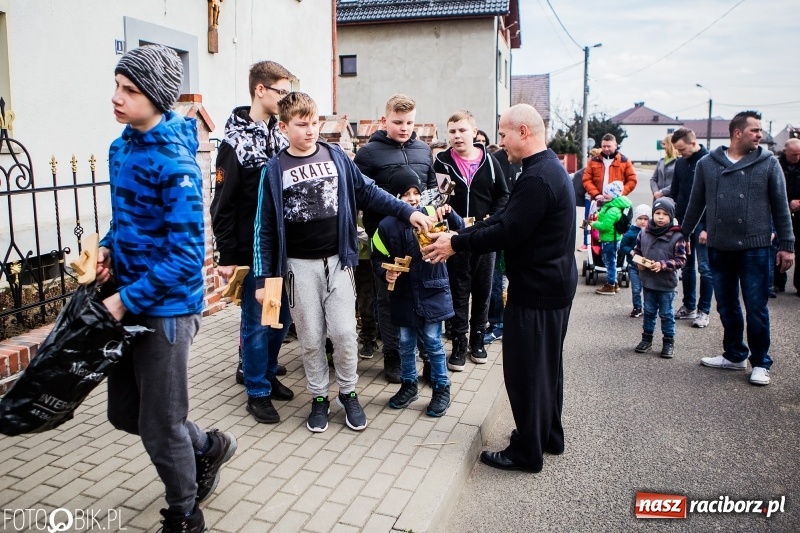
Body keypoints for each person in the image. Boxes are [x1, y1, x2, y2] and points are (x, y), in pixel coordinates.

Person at [99, 45, 236, 533]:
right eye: (116, 85)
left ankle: (184, 511)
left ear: (156, 98)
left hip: (168, 310)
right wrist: (105, 248)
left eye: (129, 90)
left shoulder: (177, 167)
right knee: (124, 414)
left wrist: (123, 299)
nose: (116, 97)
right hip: (128, 300)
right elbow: (125, 219)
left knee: (161, 425)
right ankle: (206, 446)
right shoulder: (121, 147)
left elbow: (184, 259)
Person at [252, 92, 433, 432]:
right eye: (302, 125)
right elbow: (263, 228)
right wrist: (264, 280)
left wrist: (408, 212)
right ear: (283, 127)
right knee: (310, 338)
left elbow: (369, 192)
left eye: (315, 123)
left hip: (339, 262)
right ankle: (319, 398)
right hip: (297, 267)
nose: (310, 131)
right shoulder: (274, 170)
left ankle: (348, 393)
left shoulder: (335, 155)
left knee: (345, 333)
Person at [422, 103, 577, 473]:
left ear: (523, 132)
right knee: (546, 370)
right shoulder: (543, 169)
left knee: (526, 374)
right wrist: (458, 234)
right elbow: (505, 218)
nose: (499, 143)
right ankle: (548, 436)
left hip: (538, 291)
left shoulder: (538, 178)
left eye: (504, 135)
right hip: (551, 286)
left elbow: (508, 230)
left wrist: (455, 244)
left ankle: (527, 451)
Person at [682, 111, 795, 386]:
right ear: (737, 133)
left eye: (760, 131)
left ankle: (761, 362)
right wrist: (682, 235)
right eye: (755, 130)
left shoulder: (768, 163)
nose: (760, 135)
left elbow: (781, 207)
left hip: (756, 248)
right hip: (720, 246)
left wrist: (787, 245)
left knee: (756, 306)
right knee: (727, 305)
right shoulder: (709, 164)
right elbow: (696, 203)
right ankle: (734, 355)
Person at [211, 60, 295, 424]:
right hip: (252, 246)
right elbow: (222, 202)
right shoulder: (234, 142)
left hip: (284, 245)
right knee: (257, 319)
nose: (286, 98)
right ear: (261, 90)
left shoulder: (278, 133)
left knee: (282, 315)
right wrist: (227, 253)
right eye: (282, 91)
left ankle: (265, 369)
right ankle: (256, 389)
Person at [353, 94, 437, 383]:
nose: (404, 128)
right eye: (398, 122)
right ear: (384, 120)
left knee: (424, 297)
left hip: (420, 240)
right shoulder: (368, 154)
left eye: (410, 122)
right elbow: (359, 195)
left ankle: (426, 355)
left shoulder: (424, 151)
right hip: (384, 240)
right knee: (388, 300)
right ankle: (393, 356)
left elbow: (430, 192)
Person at [371, 167, 464, 416]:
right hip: (403, 294)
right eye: (405, 194)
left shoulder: (434, 214)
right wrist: (384, 271)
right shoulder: (385, 226)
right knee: (405, 342)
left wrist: (451, 213)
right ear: (394, 198)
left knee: (433, 342)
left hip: (433, 289)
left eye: (416, 193)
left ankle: (441, 388)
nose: (412, 198)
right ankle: (409, 385)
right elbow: (377, 257)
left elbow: (461, 229)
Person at [433, 110, 509, 371]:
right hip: (454, 238)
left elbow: (503, 196)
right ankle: (458, 343)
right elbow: (436, 197)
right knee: (458, 291)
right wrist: (440, 211)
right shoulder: (441, 163)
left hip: (484, 237)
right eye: (452, 131)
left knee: (483, 290)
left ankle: (478, 340)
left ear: (474, 133)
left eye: (462, 130)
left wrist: (493, 220)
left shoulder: (490, 161)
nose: (457, 136)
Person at [668, 128, 712, 328]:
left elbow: (714, 197)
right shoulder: (679, 164)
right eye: (677, 149)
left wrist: (708, 228)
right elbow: (676, 193)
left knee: (705, 268)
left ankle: (704, 311)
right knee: (686, 266)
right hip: (684, 222)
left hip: (704, 224)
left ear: (693, 143)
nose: (679, 153)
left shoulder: (710, 162)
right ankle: (689, 306)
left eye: (682, 149)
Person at [632, 198, 686, 357]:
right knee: (648, 311)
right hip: (648, 282)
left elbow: (681, 260)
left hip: (666, 284)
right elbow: (637, 251)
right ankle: (646, 339)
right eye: (657, 213)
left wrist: (663, 265)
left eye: (665, 214)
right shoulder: (644, 232)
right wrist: (639, 263)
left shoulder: (677, 236)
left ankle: (668, 342)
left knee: (666, 314)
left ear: (671, 216)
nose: (660, 217)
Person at [591, 180, 632, 295]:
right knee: (609, 261)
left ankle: (610, 285)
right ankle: (614, 283)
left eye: (607, 192)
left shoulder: (613, 209)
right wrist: (597, 215)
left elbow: (605, 226)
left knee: (610, 263)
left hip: (610, 240)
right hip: (609, 239)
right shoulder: (610, 205)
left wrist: (593, 224)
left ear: (614, 194)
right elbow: (604, 216)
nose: (604, 194)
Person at [582, 133, 637, 205]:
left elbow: (632, 180)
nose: (606, 149)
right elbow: (586, 180)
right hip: (597, 202)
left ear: (615, 146)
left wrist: (618, 195)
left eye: (609, 146)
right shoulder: (593, 161)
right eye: (604, 146)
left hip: (617, 203)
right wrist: (596, 194)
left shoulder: (624, 161)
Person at [776, 138, 800, 294]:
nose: (796, 158)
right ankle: (778, 282)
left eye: (799, 155)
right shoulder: (776, 165)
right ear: (785, 152)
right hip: (781, 210)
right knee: (780, 247)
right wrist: (787, 203)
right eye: (793, 154)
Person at [620, 204, 652, 317]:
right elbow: (622, 246)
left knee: (648, 288)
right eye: (640, 219)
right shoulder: (631, 232)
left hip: (647, 265)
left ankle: (649, 308)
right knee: (636, 288)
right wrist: (631, 251)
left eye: (646, 219)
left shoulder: (651, 232)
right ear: (636, 219)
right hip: (634, 266)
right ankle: (637, 307)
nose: (643, 222)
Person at [650, 135, 677, 199]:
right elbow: (653, 179)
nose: (663, 146)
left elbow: (678, 182)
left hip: (672, 198)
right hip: (658, 198)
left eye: (664, 144)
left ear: (670, 145)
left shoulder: (679, 161)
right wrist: (656, 192)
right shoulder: (661, 161)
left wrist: (662, 192)